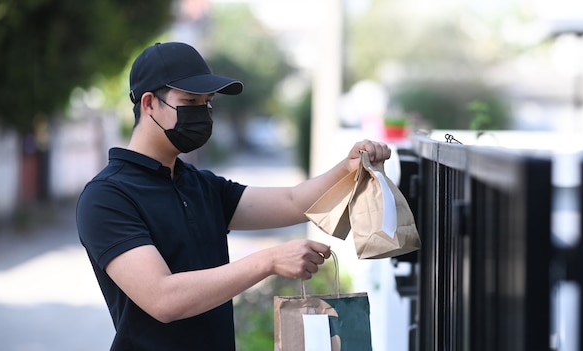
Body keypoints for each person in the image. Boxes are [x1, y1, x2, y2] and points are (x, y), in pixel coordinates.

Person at [76, 41, 391, 351]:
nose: (202, 113)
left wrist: (348, 168)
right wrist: (269, 260)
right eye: (190, 102)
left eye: (208, 103)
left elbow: (293, 201)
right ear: (148, 104)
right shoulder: (107, 197)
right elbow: (163, 299)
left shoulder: (199, 184)